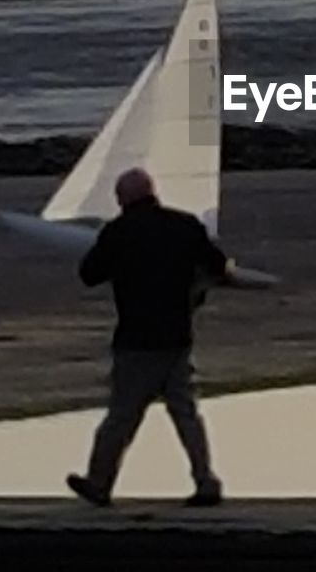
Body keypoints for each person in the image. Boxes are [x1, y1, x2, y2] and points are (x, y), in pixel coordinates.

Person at [65, 167, 232, 507]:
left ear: (123, 199)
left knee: (121, 417)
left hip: (136, 338)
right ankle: (206, 481)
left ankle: (99, 482)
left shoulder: (118, 232)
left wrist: (109, 249)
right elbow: (218, 266)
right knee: (186, 414)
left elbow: (89, 274)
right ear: (152, 192)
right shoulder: (186, 226)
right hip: (177, 333)